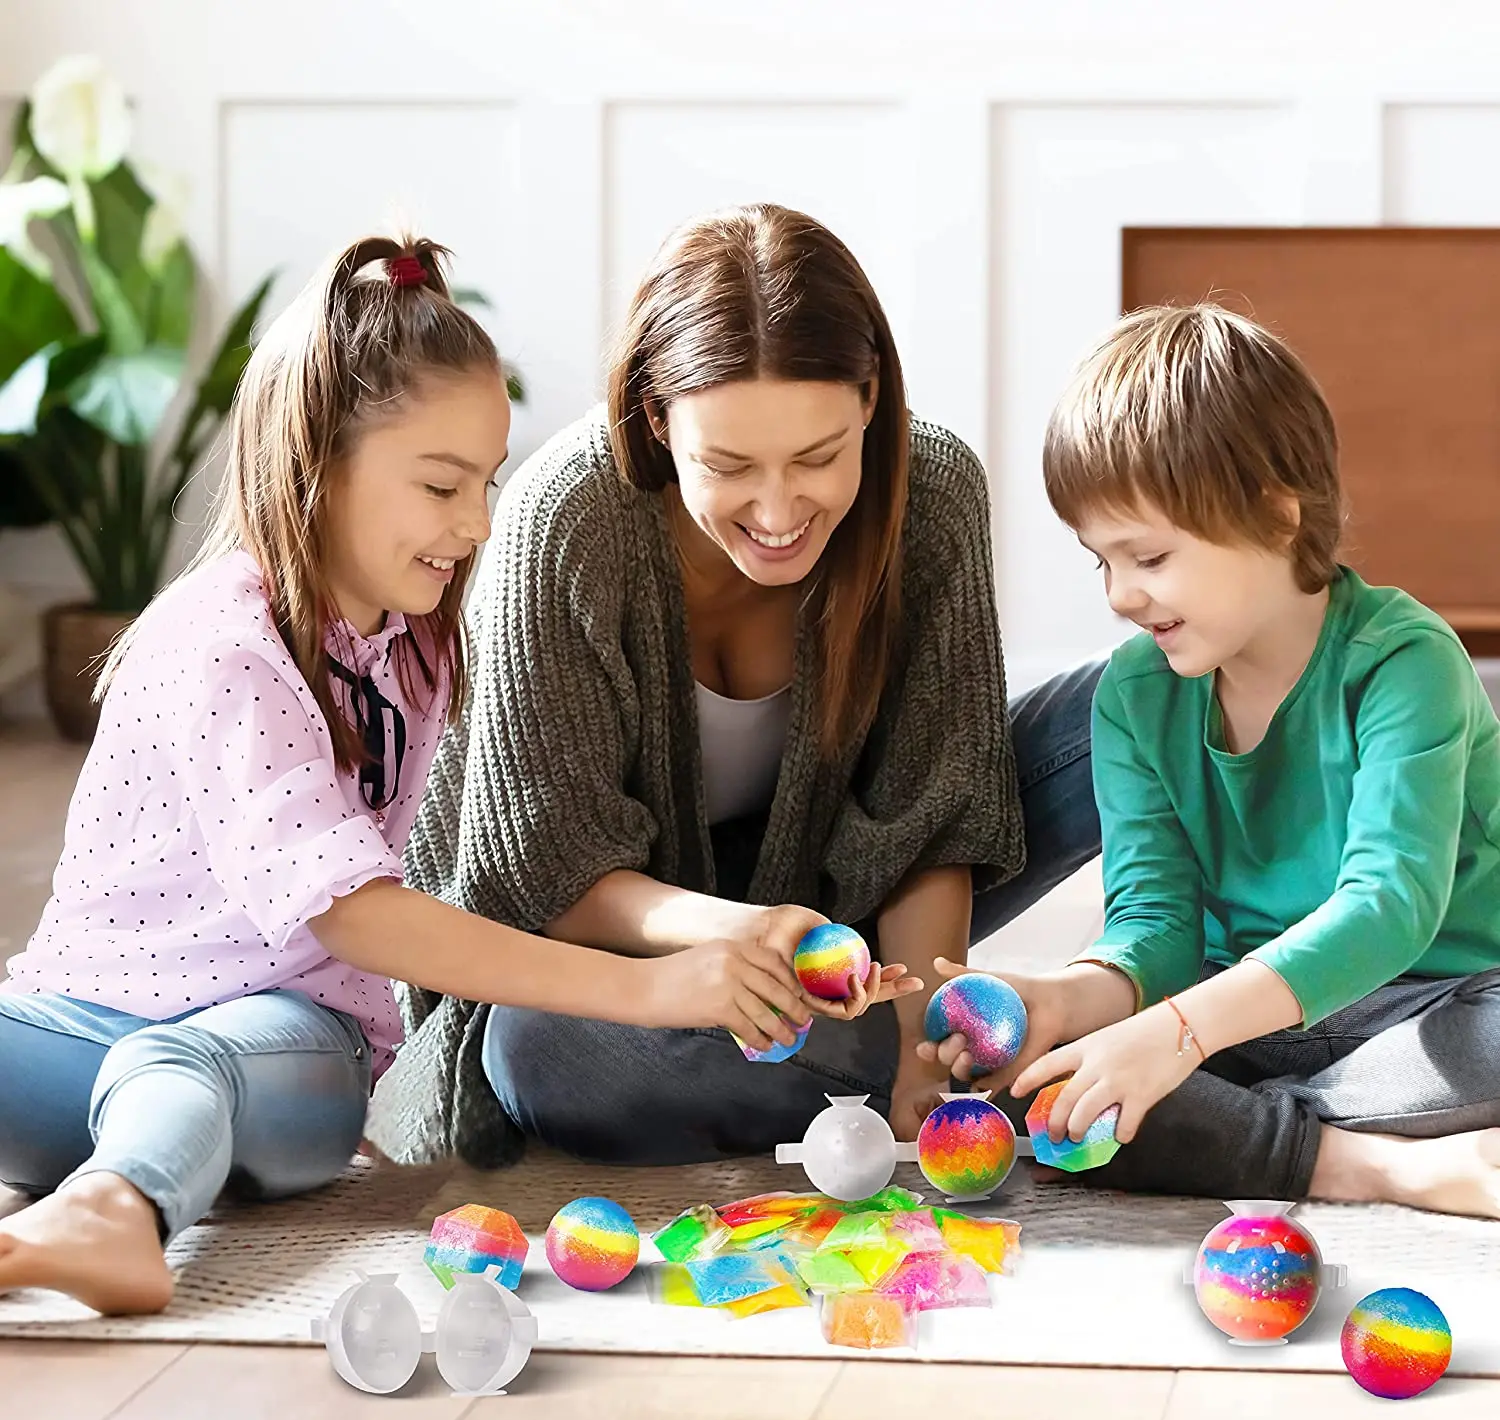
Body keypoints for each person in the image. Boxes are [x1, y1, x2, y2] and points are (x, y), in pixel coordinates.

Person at [0, 234, 889, 1317]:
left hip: (284, 1057)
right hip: (80, 1025)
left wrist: (677, 970)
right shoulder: (222, 643)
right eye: (440, 486)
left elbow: (381, 916)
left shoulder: (412, 648)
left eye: (486, 483)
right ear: (316, 463)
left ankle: (117, 1207)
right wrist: (655, 986)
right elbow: (362, 912)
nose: (475, 524)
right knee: (148, 1062)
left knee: (214, 1064)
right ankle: (116, 1185)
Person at [372, 204, 1104, 1170]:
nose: (777, 511)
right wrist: (740, 936)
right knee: (545, 1052)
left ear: (871, 398)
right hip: (628, 948)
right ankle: (1038, 1041)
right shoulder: (568, 518)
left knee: (1122, 707)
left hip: (850, 912)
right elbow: (549, 885)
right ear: (655, 419)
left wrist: (926, 1040)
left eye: (818, 458)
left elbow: (933, 817)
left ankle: (1095, 1016)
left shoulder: (930, 491)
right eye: (727, 466)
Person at [923, 303, 1500, 1219]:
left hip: (1430, 1006)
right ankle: (1372, 1164)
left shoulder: (1405, 662)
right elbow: (1154, 923)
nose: (1119, 595)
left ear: (1275, 514)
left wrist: (1173, 1038)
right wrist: (1062, 1002)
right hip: (1240, 1024)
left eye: (1147, 555)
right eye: (1098, 562)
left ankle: (1253, 1139)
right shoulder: (1134, 694)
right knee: (1050, 1094)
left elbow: (1388, 907)